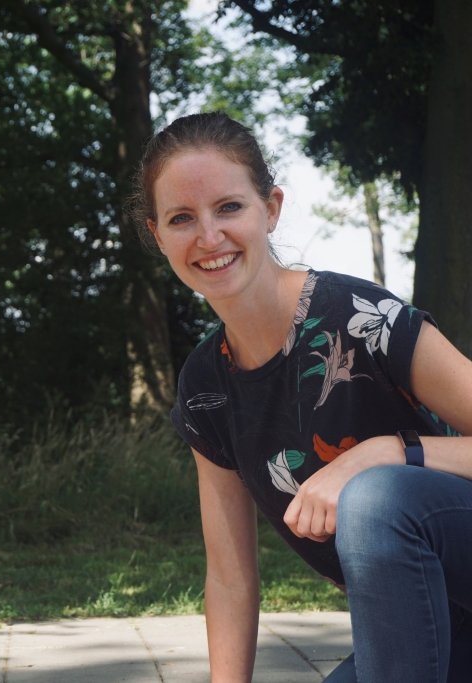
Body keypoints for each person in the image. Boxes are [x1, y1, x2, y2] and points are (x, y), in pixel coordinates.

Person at [133, 112, 472, 682]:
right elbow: (230, 578)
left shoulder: (359, 317)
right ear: (157, 234)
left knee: (374, 498)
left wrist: (389, 451)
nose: (208, 236)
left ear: (271, 208)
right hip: (434, 628)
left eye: (229, 207)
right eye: (182, 218)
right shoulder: (205, 390)